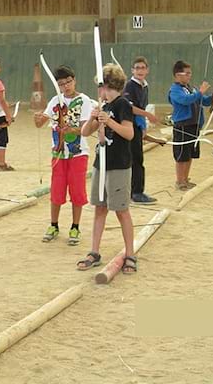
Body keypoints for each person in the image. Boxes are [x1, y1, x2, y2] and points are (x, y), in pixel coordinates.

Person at [78, 64, 137, 274]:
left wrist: (109, 121)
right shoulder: (102, 106)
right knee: (99, 208)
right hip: (100, 164)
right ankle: (94, 251)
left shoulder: (123, 105)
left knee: (121, 210)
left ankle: (130, 253)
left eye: (101, 87)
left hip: (119, 165)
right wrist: (95, 117)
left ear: (109, 86)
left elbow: (129, 134)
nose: (99, 91)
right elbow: (85, 132)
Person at [33, 66, 92, 245]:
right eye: (61, 84)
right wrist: (38, 118)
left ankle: (75, 226)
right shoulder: (54, 101)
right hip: (58, 154)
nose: (66, 86)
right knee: (57, 190)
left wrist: (71, 129)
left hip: (78, 154)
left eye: (68, 82)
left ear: (74, 80)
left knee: (77, 191)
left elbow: (85, 128)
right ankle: (54, 225)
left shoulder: (84, 101)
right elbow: (40, 123)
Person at [168, 60, 213, 191]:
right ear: (178, 75)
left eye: (190, 73)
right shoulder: (175, 90)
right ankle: (179, 181)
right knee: (181, 155)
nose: (189, 76)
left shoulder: (192, 88)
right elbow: (185, 100)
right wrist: (199, 92)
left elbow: (203, 101)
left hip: (194, 124)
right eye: (187, 73)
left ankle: (185, 178)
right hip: (182, 125)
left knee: (189, 154)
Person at [122, 56, 160, 204]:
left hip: (137, 126)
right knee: (135, 159)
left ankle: (135, 190)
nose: (140, 70)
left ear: (147, 70)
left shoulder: (144, 86)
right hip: (129, 126)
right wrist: (147, 115)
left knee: (138, 158)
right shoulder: (130, 86)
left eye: (143, 68)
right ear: (132, 70)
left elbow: (142, 107)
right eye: (137, 68)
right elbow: (129, 107)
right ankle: (136, 192)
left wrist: (143, 126)